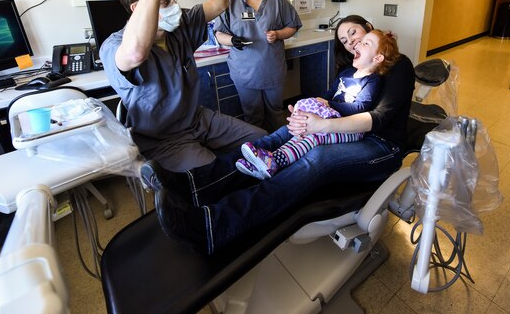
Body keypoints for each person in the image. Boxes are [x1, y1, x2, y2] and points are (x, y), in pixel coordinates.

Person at [142, 14, 415, 255]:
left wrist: (321, 125)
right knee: (267, 142)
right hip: (339, 128)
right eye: (344, 40)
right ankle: (192, 184)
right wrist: (306, 115)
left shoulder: (398, 65)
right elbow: (330, 101)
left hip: (379, 145)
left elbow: (376, 118)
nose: (351, 43)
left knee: (316, 158)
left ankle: (211, 226)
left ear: (368, 28)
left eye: (355, 34)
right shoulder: (350, 71)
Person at [100, 0, 266, 180]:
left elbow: (219, 3)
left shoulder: (178, 28)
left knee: (264, 142)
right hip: (162, 139)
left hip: (199, 121)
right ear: (138, 8)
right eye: (165, 1)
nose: (175, 6)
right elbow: (136, 54)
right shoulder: (115, 46)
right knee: (217, 175)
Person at [236, 29, 402, 179]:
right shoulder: (346, 73)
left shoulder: (372, 80)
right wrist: (309, 111)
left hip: (350, 130)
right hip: (330, 119)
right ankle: (269, 161)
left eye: (366, 43)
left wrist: (328, 106)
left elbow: (360, 107)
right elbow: (328, 96)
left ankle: (276, 161)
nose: (357, 43)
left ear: (377, 58)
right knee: (300, 133)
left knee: (315, 137)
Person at [214, 0, 302, 131]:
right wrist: (231, 40)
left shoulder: (277, 1)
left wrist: (279, 34)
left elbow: (293, 25)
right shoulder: (230, 4)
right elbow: (218, 33)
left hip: (272, 69)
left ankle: (280, 148)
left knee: (276, 112)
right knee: (252, 116)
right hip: (244, 72)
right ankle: (258, 151)